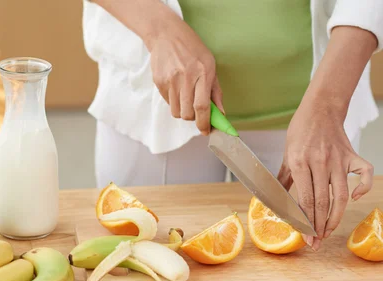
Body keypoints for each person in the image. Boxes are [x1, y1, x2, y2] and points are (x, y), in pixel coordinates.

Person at [82, 0, 383, 250]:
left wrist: (328, 104)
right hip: (156, 95)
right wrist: (160, 29)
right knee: (140, 251)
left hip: (318, 103)